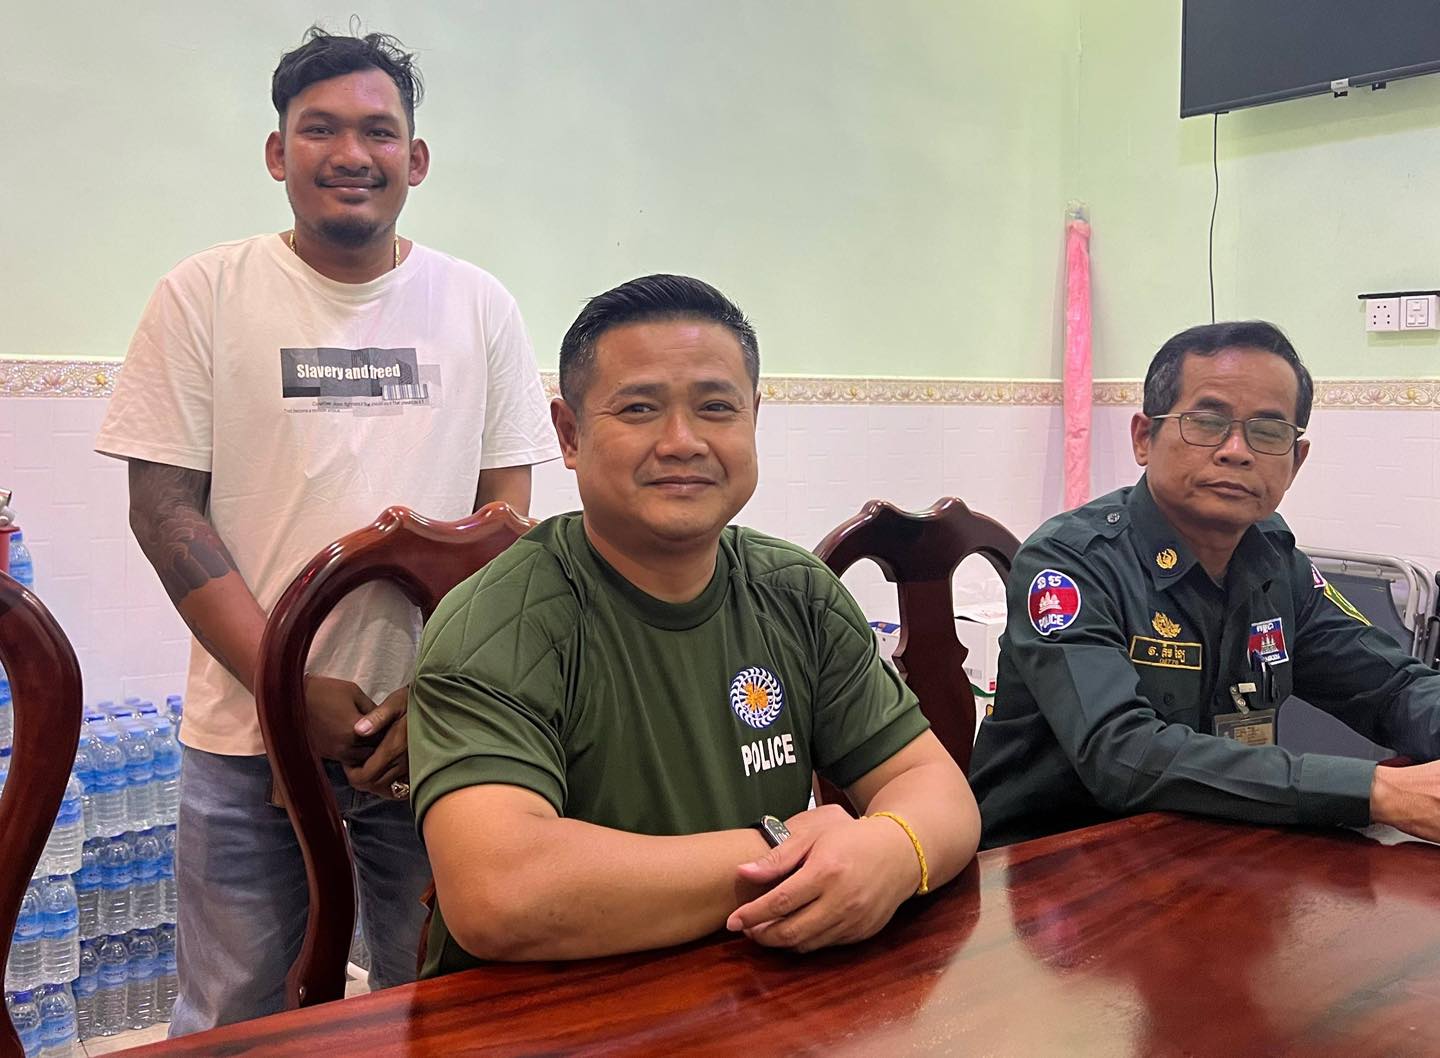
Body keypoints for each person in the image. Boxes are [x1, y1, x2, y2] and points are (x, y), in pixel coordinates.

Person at [93, 27, 556, 1033]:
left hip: (435, 734)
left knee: (436, 1009)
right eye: (320, 129)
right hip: (245, 738)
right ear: (277, 152)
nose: (352, 153)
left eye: (378, 131)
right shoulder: (202, 295)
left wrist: (437, 695)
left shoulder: (479, 306)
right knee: (234, 1018)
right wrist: (285, 685)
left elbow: (505, 530)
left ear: (416, 159)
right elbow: (164, 511)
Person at [408, 273, 980, 974]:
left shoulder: (797, 591)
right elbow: (500, 893)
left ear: (752, 420)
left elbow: (937, 790)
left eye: (716, 407)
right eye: (639, 408)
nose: (682, 442)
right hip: (543, 1009)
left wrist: (891, 850)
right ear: (569, 434)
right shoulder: (501, 621)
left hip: (754, 987)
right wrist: (786, 852)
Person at [970, 320, 1440, 848]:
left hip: (1216, 847)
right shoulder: (1070, 563)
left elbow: (1392, 688)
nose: (1236, 450)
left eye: (1268, 432)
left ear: (1296, 460)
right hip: (1051, 864)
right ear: (1144, 438)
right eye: (1207, 422)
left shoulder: (1276, 564)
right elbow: (1122, 754)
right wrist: (1377, 791)